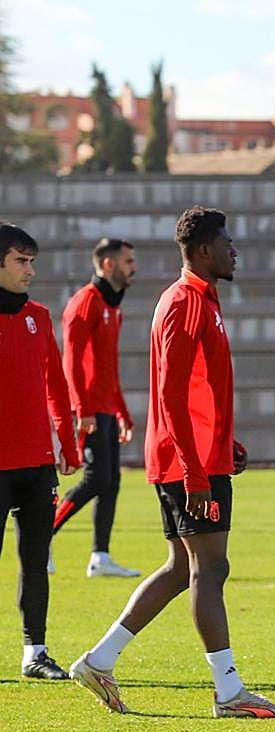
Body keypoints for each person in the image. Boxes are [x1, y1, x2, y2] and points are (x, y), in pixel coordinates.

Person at [69, 206, 275, 718]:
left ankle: (100, 660)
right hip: (184, 463)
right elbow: (168, 396)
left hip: (196, 456)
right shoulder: (184, 303)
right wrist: (195, 469)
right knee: (210, 569)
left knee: (181, 568)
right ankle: (229, 691)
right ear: (204, 250)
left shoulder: (202, 301)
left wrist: (224, 442)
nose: (234, 249)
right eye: (227, 242)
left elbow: (198, 390)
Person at [0, 223, 81, 679]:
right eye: (20, 261)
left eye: (32, 261)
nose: (30, 270)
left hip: (36, 463)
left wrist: (66, 445)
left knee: (36, 560)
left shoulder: (39, 316)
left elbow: (56, 383)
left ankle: (36, 652)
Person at [52, 237, 140, 578]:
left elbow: (108, 367)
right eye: (128, 261)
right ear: (108, 264)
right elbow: (70, 362)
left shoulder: (112, 308)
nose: (133, 268)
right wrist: (81, 409)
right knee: (95, 478)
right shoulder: (84, 303)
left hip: (104, 409)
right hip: (87, 409)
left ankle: (100, 557)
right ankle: (43, 533)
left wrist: (122, 411)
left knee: (111, 481)